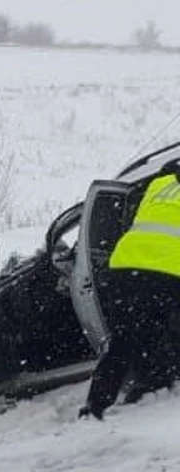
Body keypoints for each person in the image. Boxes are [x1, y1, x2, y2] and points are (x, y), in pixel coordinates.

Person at [83, 161, 180, 420]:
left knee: (123, 340)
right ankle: (154, 384)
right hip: (166, 270)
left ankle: (95, 406)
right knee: (164, 331)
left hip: (126, 267)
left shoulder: (159, 185)